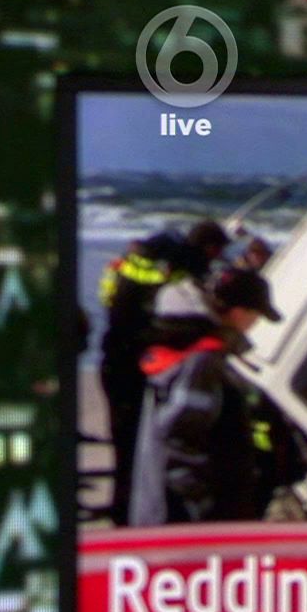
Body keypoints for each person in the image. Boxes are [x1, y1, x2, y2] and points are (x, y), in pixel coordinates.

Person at [98, 219, 229, 523]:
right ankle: (132, 514)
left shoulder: (125, 264)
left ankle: (120, 509)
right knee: (143, 446)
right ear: (208, 247)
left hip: (113, 357)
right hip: (141, 363)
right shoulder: (181, 267)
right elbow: (182, 315)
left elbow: (108, 300)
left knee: (122, 441)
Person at [128, 267, 282, 526]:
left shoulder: (187, 348)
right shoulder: (203, 362)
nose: (254, 325)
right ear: (238, 313)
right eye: (256, 316)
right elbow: (179, 438)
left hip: (161, 511)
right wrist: (204, 508)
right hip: (185, 523)